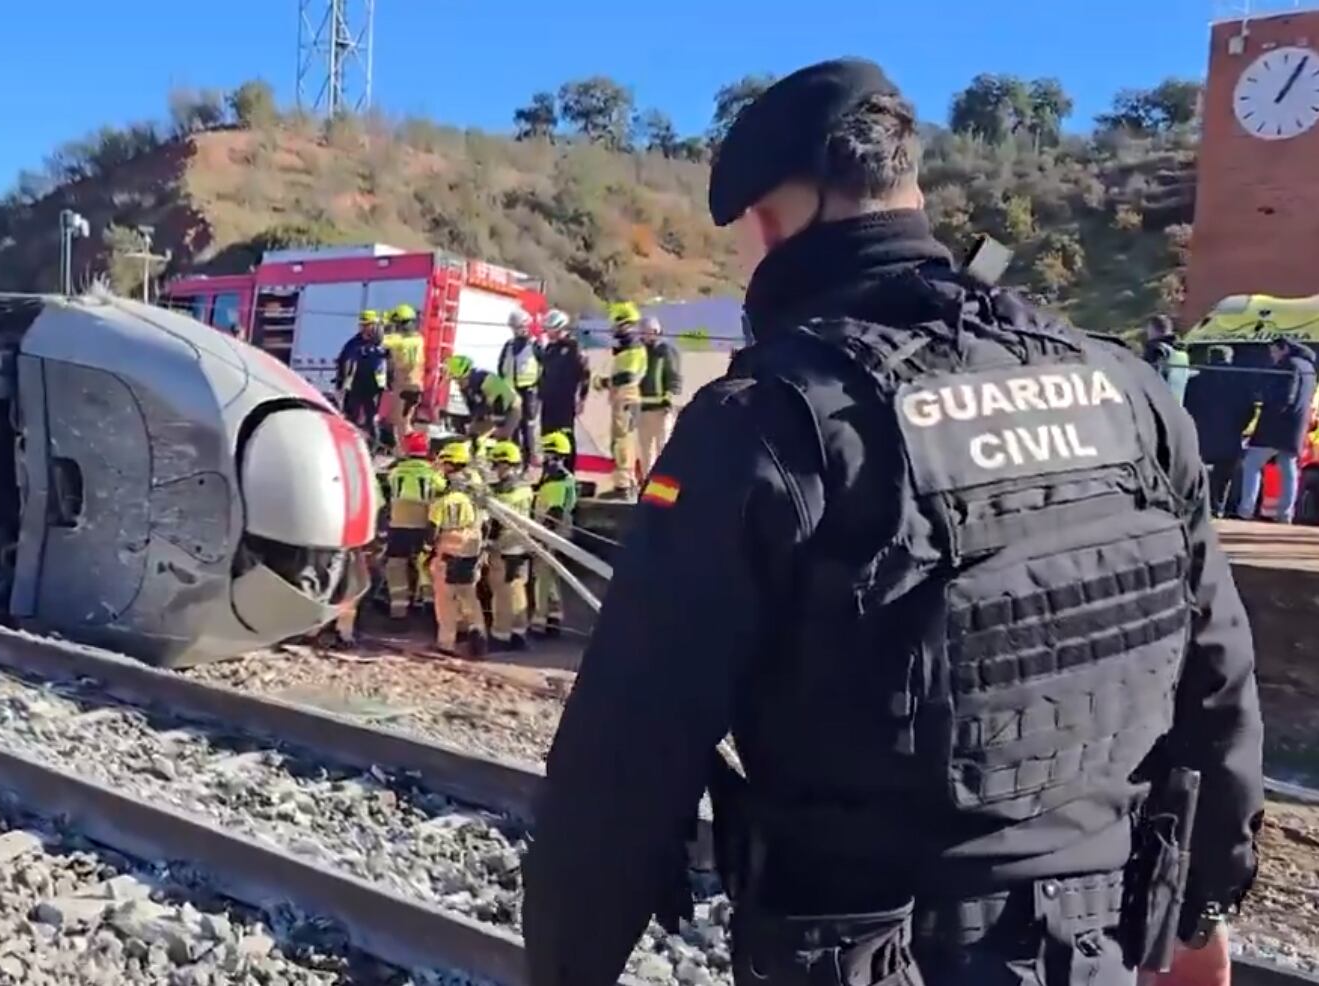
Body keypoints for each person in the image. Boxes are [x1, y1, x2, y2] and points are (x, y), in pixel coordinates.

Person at [522, 58, 1264, 986]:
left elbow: (623, 765)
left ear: (771, 222)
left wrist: (564, 965)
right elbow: (1217, 677)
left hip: (870, 953)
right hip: (1100, 945)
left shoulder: (765, 421)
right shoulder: (1129, 391)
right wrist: (1197, 909)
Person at [1237, 337, 1316, 523]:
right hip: (1296, 427)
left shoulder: (1289, 365)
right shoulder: (1309, 368)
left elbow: (1285, 396)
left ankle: (1246, 509)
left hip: (1275, 426)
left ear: (1284, 349)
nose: (1272, 355)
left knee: (1252, 463)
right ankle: (1285, 513)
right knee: (1288, 468)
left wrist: (1266, 401)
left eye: (1274, 351)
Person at [427, 440, 487, 657]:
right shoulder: (476, 491)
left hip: (448, 554)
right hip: (472, 550)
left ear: (451, 465)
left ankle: (446, 643)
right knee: (469, 595)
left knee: (445, 600)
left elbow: (432, 531)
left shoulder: (443, 500)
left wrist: (427, 551)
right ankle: (478, 632)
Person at [1182, 346, 1257, 518]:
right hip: (1230, 436)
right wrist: (1239, 426)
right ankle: (1218, 507)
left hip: (1201, 435)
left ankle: (1197, 506)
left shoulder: (1196, 381)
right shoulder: (1240, 383)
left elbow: (1186, 407)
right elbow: (1249, 409)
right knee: (1223, 477)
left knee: (1197, 472)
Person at [381, 431, 443, 620]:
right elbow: (441, 491)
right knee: (424, 564)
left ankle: (398, 609)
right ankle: (429, 605)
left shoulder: (395, 473)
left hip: (398, 526)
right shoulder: (433, 474)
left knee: (396, 565)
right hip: (424, 526)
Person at [481, 440, 534, 650]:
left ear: (505, 464)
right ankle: (519, 634)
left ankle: (500, 636)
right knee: (518, 591)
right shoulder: (526, 489)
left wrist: (488, 543)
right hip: (522, 545)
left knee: (502, 594)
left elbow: (494, 523)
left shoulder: (500, 493)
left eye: (497, 465)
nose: (496, 469)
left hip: (502, 547)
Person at [594, 302, 648, 496]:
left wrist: (604, 382)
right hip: (621, 399)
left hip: (627, 398)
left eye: (617, 326)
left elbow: (628, 376)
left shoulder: (635, 348)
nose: (614, 330)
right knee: (620, 441)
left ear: (626, 324)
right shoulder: (626, 349)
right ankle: (627, 483)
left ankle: (623, 487)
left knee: (622, 442)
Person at [530, 430, 578, 637]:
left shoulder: (558, 482)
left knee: (542, 577)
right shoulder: (562, 479)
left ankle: (539, 620)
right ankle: (555, 615)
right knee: (551, 575)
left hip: (551, 532)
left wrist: (541, 536)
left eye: (547, 455)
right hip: (559, 531)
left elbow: (555, 512)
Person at [335, 310, 390, 444]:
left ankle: (373, 447)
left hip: (375, 388)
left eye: (368, 325)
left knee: (372, 419)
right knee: (351, 417)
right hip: (357, 385)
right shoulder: (354, 343)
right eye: (362, 325)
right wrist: (341, 384)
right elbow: (344, 362)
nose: (364, 328)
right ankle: (350, 443)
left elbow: (392, 363)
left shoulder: (385, 342)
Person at [537, 309, 591, 447]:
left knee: (564, 435)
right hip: (548, 400)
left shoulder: (574, 347)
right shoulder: (550, 347)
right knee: (547, 435)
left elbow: (585, 374)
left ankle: (567, 467)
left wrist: (582, 399)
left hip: (565, 401)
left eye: (550, 329)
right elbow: (545, 369)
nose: (547, 333)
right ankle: (548, 465)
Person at [636, 314, 683, 472]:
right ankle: (646, 487)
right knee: (645, 451)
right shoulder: (638, 352)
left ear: (657, 332)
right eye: (644, 332)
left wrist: (670, 398)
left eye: (650, 332)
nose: (647, 335)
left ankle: (665, 487)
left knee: (664, 449)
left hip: (662, 409)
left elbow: (674, 376)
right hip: (642, 409)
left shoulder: (666, 351)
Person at [498, 310, 545, 465]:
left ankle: (529, 459)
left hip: (529, 391)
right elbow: (501, 366)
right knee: (513, 426)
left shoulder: (535, 345)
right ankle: (514, 459)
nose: (517, 330)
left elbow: (544, 366)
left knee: (528, 426)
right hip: (512, 391)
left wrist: (539, 387)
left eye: (519, 326)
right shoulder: (509, 345)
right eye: (514, 327)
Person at [380, 304, 427, 450]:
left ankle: (411, 452)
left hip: (405, 387)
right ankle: (401, 450)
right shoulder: (418, 339)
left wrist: (383, 323)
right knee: (394, 420)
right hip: (414, 386)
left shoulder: (399, 340)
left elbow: (378, 340)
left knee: (403, 424)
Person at [445, 355, 521, 442]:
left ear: (465, 375)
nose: (457, 383)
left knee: (500, 436)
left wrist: (490, 427)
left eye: (457, 379)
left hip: (510, 407)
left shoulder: (485, 380)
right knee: (472, 434)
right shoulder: (466, 387)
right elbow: (474, 410)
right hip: (491, 409)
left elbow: (499, 404)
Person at [1144, 315, 1193, 404]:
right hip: (1177, 409)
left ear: (1152, 329)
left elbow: (1148, 380)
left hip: (1157, 408)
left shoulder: (1156, 350)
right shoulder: (1182, 353)